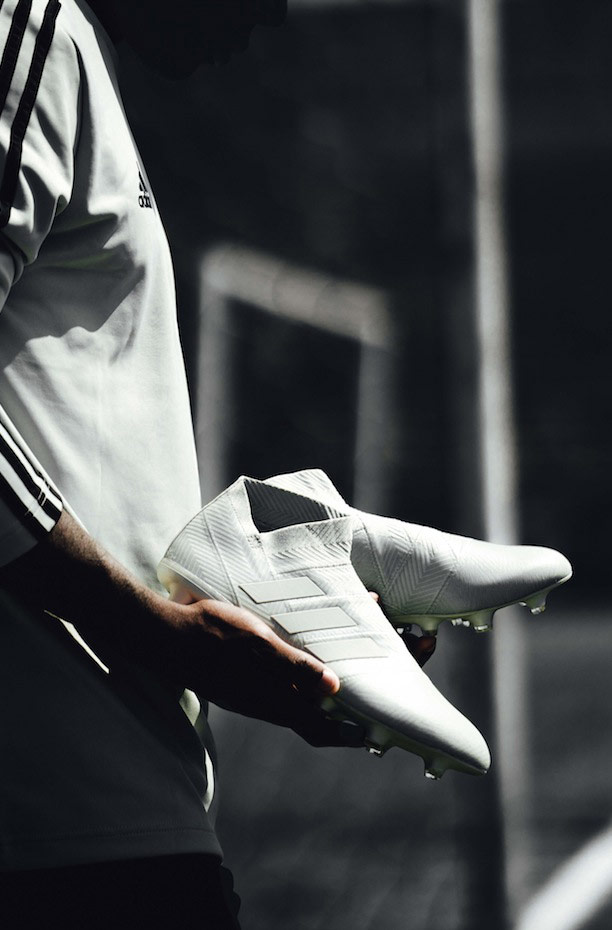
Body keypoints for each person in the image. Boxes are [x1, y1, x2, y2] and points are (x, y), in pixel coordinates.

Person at [0, 2, 438, 926]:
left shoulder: (81, 58)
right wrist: (156, 632)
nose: (274, 14)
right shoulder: (28, 30)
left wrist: (286, 635)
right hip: (61, 825)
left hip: (113, 805)